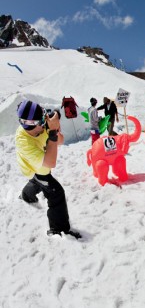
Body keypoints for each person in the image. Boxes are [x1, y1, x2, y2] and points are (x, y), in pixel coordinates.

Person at [15, 99, 81, 239]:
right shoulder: (23, 141)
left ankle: (26, 195)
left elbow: (61, 141)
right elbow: (50, 162)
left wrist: (55, 128)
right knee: (56, 193)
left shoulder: (41, 125)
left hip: (37, 168)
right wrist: (51, 132)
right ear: (33, 125)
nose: (45, 121)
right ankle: (59, 229)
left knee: (36, 182)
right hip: (36, 169)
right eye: (42, 121)